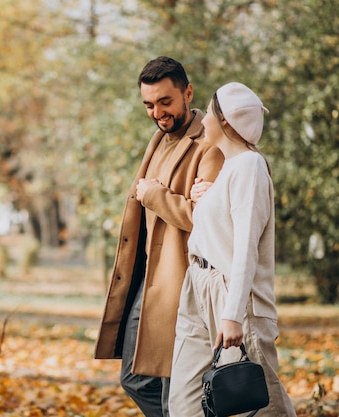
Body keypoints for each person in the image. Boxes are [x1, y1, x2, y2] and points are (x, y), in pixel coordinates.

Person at [94, 56, 224, 417]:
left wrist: (154, 195)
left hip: (179, 283)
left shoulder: (209, 144)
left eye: (165, 102)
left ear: (188, 93)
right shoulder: (158, 139)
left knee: (173, 388)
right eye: (149, 105)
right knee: (135, 379)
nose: (157, 112)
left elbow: (207, 218)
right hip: (146, 279)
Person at [168, 82, 297, 416]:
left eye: (210, 113)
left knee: (259, 405)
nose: (204, 120)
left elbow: (245, 248)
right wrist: (205, 197)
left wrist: (233, 315)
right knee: (184, 404)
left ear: (225, 121)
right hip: (198, 285)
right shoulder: (230, 168)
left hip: (232, 296)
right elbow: (221, 224)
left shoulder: (250, 167)